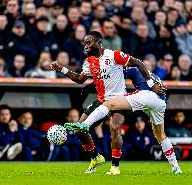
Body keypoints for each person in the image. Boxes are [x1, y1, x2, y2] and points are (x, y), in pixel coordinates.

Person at [62, 32, 182, 174]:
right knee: (160, 135)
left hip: (144, 95)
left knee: (109, 106)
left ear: (99, 42)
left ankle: (88, 129)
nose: (86, 45)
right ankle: (176, 168)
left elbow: (134, 65)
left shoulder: (128, 66)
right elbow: (95, 76)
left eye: (89, 42)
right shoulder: (153, 75)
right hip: (161, 102)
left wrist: (150, 84)